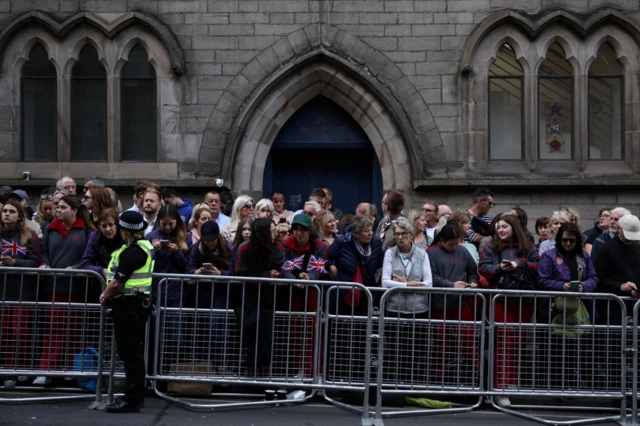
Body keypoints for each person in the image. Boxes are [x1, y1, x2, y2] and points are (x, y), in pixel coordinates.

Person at [478, 214, 539, 408]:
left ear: (513, 227)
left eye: (504, 226)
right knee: (505, 338)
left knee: (518, 340)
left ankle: (511, 382)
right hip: (500, 299)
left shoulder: (527, 246)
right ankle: (500, 388)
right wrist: (500, 268)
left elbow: (538, 266)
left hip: (524, 300)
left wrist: (518, 264)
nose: (500, 230)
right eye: (498, 227)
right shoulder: (490, 246)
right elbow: (483, 268)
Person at [34, 195, 95, 385]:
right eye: (57, 207)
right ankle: (46, 370)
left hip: (77, 287)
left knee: (75, 330)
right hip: (54, 287)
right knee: (54, 329)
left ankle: (70, 368)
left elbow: (88, 255)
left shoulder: (86, 230)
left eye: (63, 207)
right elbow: (42, 252)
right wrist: (45, 264)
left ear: (74, 210)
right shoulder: (48, 228)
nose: (58, 210)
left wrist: (76, 268)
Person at [99, 211, 154, 413]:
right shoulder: (142, 247)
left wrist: (105, 296)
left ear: (125, 231)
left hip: (130, 305)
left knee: (131, 353)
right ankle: (134, 397)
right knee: (131, 352)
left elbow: (117, 282)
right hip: (134, 305)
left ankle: (132, 399)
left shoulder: (133, 252)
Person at [427, 224, 480, 383]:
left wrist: (472, 282)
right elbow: (432, 277)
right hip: (440, 304)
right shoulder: (431, 253)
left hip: (461, 303)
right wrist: (451, 285)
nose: (455, 247)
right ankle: (438, 377)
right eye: (451, 244)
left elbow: (473, 271)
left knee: (468, 341)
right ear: (442, 241)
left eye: (457, 243)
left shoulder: (463, 251)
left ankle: (476, 375)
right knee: (440, 342)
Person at [234, 218, 285, 369]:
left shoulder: (279, 247)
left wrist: (279, 274)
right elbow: (239, 274)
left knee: (268, 338)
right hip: (248, 300)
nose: (275, 233)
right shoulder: (244, 248)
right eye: (271, 230)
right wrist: (265, 275)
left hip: (271, 299)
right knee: (251, 336)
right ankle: (249, 372)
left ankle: (265, 372)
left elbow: (285, 267)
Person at [281, 214, 328, 376]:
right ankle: (299, 369)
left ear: (310, 231)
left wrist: (308, 277)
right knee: (295, 332)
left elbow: (318, 269)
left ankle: (316, 372)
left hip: (312, 293)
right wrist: (294, 279)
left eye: (303, 230)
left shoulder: (319, 247)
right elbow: (284, 268)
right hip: (292, 294)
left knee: (314, 331)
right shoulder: (285, 245)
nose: (299, 233)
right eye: (296, 229)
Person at [0, 200, 40, 389]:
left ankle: (16, 370)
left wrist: (14, 263)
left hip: (22, 293)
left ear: (19, 216)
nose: (7, 214)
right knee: (3, 334)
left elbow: (34, 262)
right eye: (5, 211)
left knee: (19, 334)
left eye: (11, 211)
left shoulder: (28, 237)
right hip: (2, 291)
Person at [186, 221, 235, 364]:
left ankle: (219, 362)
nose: (209, 244)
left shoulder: (229, 249)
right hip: (201, 293)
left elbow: (235, 272)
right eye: (206, 240)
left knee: (217, 325)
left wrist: (220, 274)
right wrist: (197, 272)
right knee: (201, 327)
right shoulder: (196, 248)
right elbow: (189, 267)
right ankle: (205, 362)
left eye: (211, 240)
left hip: (221, 293)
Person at [328, 215, 383, 313]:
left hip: (366, 292)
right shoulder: (343, 242)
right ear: (355, 234)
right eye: (366, 231)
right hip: (344, 292)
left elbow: (381, 260)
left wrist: (381, 268)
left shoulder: (376, 242)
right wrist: (331, 267)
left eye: (371, 230)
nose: (370, 234)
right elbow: (327, 257)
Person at [382, 217, 432, 312]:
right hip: (395, 308)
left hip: (418, 309)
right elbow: (385, 282)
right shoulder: (390, 253)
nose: (400, 237)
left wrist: (399, 284)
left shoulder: (422, 254)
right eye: (397, 234)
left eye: (403, 233)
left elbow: (429, 284)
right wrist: (408, 284)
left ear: (411, 235)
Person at [80, 208, 125, 279]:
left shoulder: (125, 236)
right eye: (104, 226)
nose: (108, 229)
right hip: (101, 280)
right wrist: (101, 270)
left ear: (117, 224)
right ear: (99, 227)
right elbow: (85, 264)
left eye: (111, 225)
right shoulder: (95, 237)